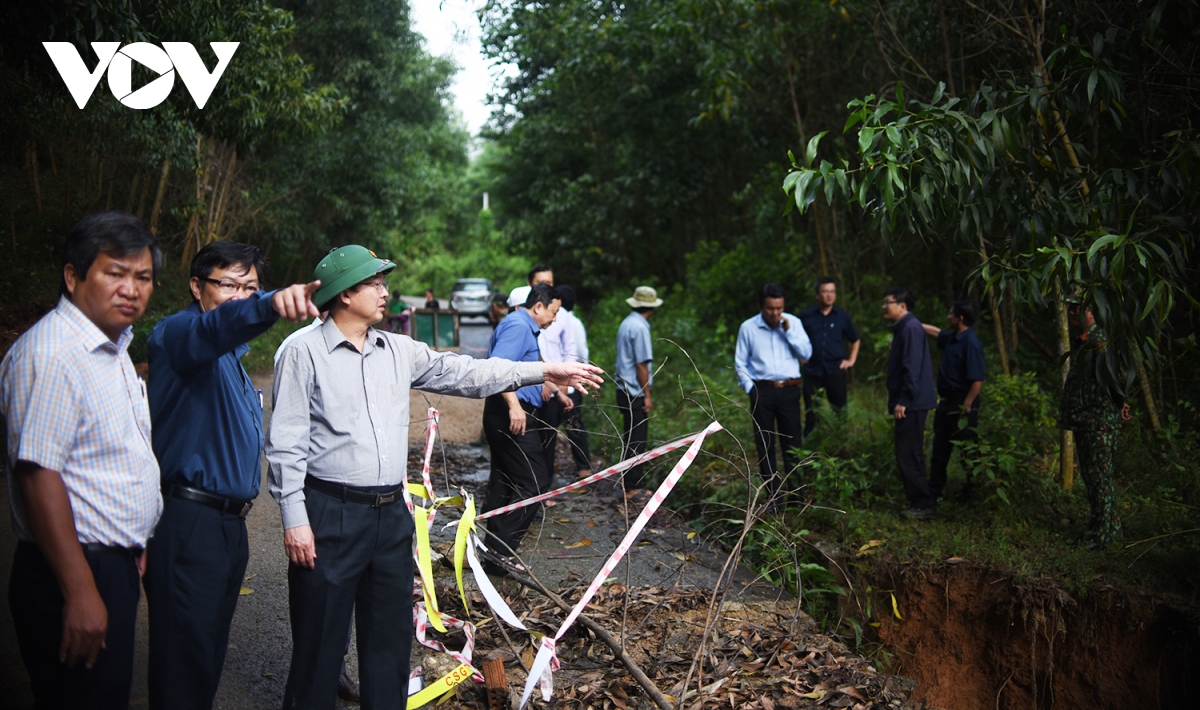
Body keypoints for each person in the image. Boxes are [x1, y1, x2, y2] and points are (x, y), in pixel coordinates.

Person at [267, 247, 602, 710]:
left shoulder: (397, 350)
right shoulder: (302, 351)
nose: (386, 293)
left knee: (388, 644)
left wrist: (545, 369)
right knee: (319, 646)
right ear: (344, 294)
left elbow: (469, 373)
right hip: (330, 513)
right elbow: (285, 442)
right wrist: (293, 517)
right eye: (375, 284)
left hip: (390, 517)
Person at [143, 241, 319, 710]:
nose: (240, 296)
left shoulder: (233, 363)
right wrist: (267, 304)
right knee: (183, 665)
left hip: (227, 528)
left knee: (204, 658)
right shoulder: (180, 335)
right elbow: (220, 324)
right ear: (197, 288)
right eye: (229, 285)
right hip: (187, 521)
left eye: (251, 287)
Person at [0, 211, 162, 709]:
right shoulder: (52, 354)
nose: (130, 289)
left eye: (143, 277)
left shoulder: (108, 348)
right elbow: (39, 475)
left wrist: (132, 542)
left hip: (107, 562)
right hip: (68, 570)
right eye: (115, 273)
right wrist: (80, 590)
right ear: (73, 277)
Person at [481, 283, 567, 568]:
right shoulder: (519, 325)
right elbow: (497, 366)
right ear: (538, 306)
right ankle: (500, 551)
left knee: (505, 480)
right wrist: (515, 406)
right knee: (534, 482)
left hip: (509, 410)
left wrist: (556, 388)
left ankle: (490, 549)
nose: (555, 318)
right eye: (553, 312)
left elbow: (530, 367)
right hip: (509, 412)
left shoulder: (523, 327)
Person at [1058, 298, 1132, 548]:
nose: (1071, 313)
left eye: (1076, 309)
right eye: (1069, 308)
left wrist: (1120, 401)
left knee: (1099, 480)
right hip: (1087, 421)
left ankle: (1101, 537)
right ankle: (1110, 531)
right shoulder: (1085, 341)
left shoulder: (1099, 341)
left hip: (1098, 422)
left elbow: (1118, 374)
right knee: (1096, 480)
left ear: (1090, 312)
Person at [734, 284, 813, 510]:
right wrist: (751, 389)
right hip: (762, 390)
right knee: (765, 444)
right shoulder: (748, 328)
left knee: (793, 443)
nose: (776, 313)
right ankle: (774, 498)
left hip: (789, 390)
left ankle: (796, 496)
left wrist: (788, 332)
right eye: (770, 309)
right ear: (761, 307)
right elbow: (740, 362)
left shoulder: (793, 323)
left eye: (779, 308)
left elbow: (807, 355)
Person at [921, 301, 985, 502]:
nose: (948, 317)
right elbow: (936, 332)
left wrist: (967, 403)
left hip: (962, 403)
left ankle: (972, 493)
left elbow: (977, 380)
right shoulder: (953, 338)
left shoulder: (971, 343)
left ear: (961, 318)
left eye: (951, 314)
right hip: (946, 403)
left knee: (966, 450)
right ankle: (934, 490)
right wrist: (912, 323)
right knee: (940, 448)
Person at [882, 288, 937, 518]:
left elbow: (912, 367)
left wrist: (904, 400)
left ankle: (923, 505)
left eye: (888, 302)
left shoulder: (911, 328)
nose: (884, 307)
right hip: (910, 401)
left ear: (902, 306)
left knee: (909, 452)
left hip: (911, 403)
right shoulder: (906, 327)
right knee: (908, 450)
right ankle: (920, 501)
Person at [527, 264, 576, 478]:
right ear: (531, 284)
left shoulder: (562, 315)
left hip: (555, 388)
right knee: (529, 442)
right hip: (529, 386)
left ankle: (543, 491)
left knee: (548, 441)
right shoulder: (524, 312)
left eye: (550, 283)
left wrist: (562, 386)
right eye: (541, 283)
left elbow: (570, 350)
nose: (547, 286)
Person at [797, 277, 861, 436]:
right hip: (812, 369)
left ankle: (840, 443)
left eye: (832, 292)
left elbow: (855, 339)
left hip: (835, 369)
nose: (829, 295)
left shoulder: (842, 316)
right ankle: (811, 444)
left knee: (839, 410)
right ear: (817, 294)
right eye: (825, 292)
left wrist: (851, 360)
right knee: (812, 411)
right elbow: (794, 338)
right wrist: (800, 358)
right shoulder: (805, 316)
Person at [615, 286, 662, 499]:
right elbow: (641, 365)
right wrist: (648, 395)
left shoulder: (627, 323)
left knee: (631, 437)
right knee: (637, 439)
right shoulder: (640, 327)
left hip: (623, 389)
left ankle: (632, 483)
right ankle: (631, 487)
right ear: (651, 308)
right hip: (634, 391)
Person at [556, 285, 593, 477]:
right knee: (575, 424)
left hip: (555, 382)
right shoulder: (575, 323)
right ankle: (584, 468)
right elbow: (582, 353)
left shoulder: (555, 320)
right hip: (571, 383)